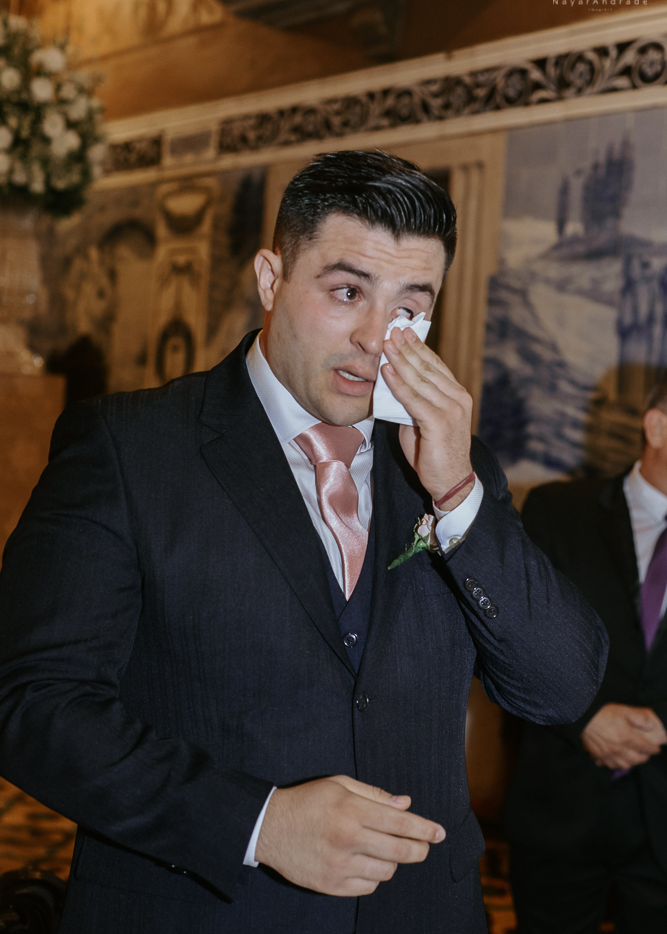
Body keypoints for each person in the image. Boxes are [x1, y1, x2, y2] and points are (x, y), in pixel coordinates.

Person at [0, 151, 607, 934]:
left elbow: (561, 687)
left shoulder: (451, 463)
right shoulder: (127, 448)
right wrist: (257, 822)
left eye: (408, 308)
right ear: (270, 278)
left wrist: (457, 496)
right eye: (346, 291)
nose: (373, 339)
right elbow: (28, 703)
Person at [505, 385, 667, 934]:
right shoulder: (557, 510)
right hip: (561, 810)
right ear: (658, 429)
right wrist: (585, 718)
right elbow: (510, 640)